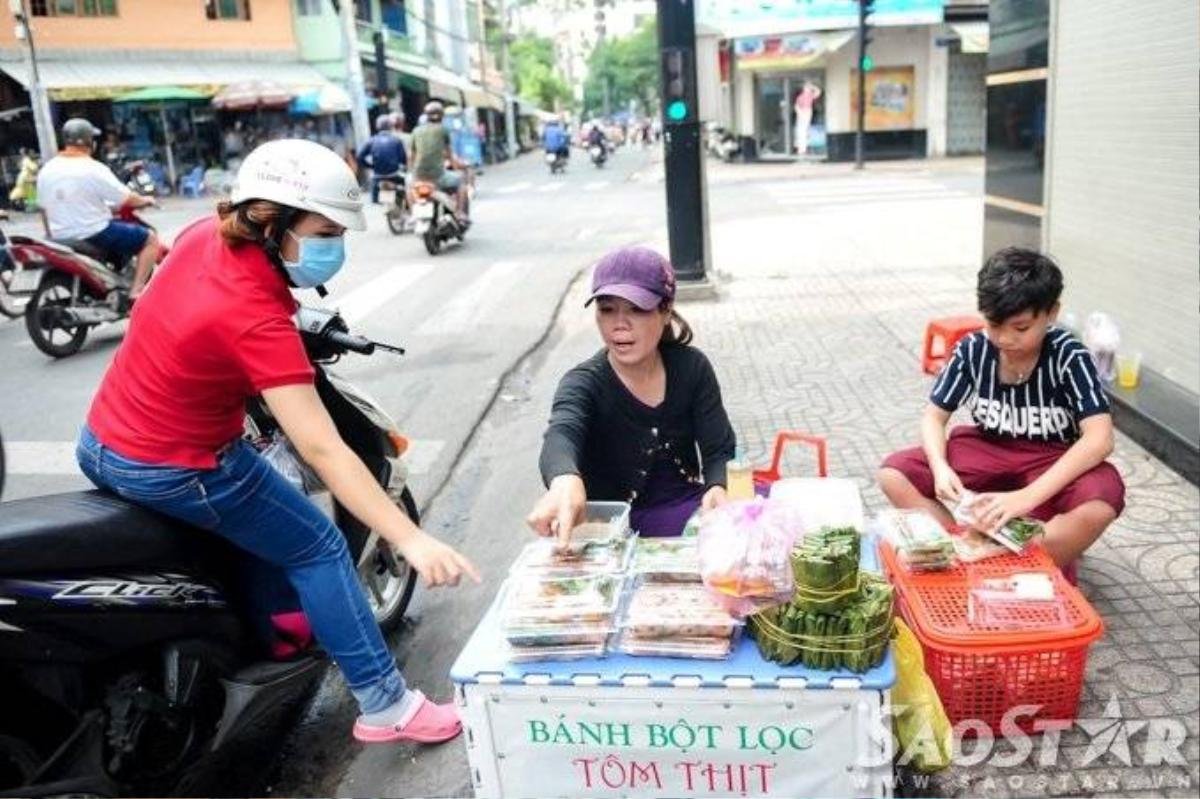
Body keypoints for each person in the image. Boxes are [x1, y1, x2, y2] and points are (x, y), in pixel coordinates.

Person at [75, 139, 479, 745]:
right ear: (274, 221)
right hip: (174, 464)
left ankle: (266, 631)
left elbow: (171, 294)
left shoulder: (202, 235)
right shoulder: (254, 318)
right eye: (323, 231)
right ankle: (386, 705)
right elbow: (323, 449)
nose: (334, 246)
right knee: (317, 544)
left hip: (101, 437)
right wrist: (409, 536)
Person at [877, 247, 1125, 575]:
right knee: (894, 474)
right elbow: (934, 417)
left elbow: (1099, 439)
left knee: (1102, 497)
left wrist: (1025, 498)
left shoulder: (1069, 356)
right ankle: (964, 550)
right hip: (988, 447)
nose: (1005, 338)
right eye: (994, 324)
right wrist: (939, 468)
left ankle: (1030, 559)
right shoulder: (973, 349)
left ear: (1051, 313)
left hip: (1049, 455)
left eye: (1021, 328)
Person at [527, 247, 737, 545]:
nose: (619, 323)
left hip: (690, 511)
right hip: (613, 529)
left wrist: (718, 486)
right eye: (607, 308)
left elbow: (719, 450)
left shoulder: (692, 367)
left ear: (666, 310)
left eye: (637, 309)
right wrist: (564, 479)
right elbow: (562, 433)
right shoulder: (583, 383)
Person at [36, 118, 160, 299]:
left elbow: (43, 210)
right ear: (89, 141)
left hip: (58, 237)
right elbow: (126, 198)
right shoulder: (93, 168)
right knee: (150, 239)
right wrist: (145, 200)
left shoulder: (46, 170)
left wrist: (52, 234)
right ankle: (136, 291)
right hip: (94, 233)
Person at [409, 101, 468, 219]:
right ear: (442, 115)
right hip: (438, 176)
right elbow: (450, 154)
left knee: (410, 188)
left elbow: (411, 155)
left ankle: (412, 214)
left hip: (418, 175)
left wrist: (412, 171)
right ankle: (460, 213)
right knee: (461, 182)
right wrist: (456, 168)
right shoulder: (443, 130)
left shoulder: (416, 131)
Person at [357, 114, 408, 205]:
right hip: (394, 176)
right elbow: (403, 159)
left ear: (377, 126)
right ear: (390, 126)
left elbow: (360, 157)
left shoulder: (371, 141)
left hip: (378, 177)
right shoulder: (396, 140)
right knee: (406, 193)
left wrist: (371, 166)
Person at [793, 81, 822, 155]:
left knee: (805, 130)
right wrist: (800, 113)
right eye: (807, 88)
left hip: (807, 112)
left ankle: (803, 148)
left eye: (808, 88)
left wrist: (812, 87)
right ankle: (801, 149)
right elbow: (796, 106)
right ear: (804, 89)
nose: (808, 89)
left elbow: (818, 92)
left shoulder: (810, 95)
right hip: (803, 112)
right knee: (801, 130)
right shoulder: (800, 97)